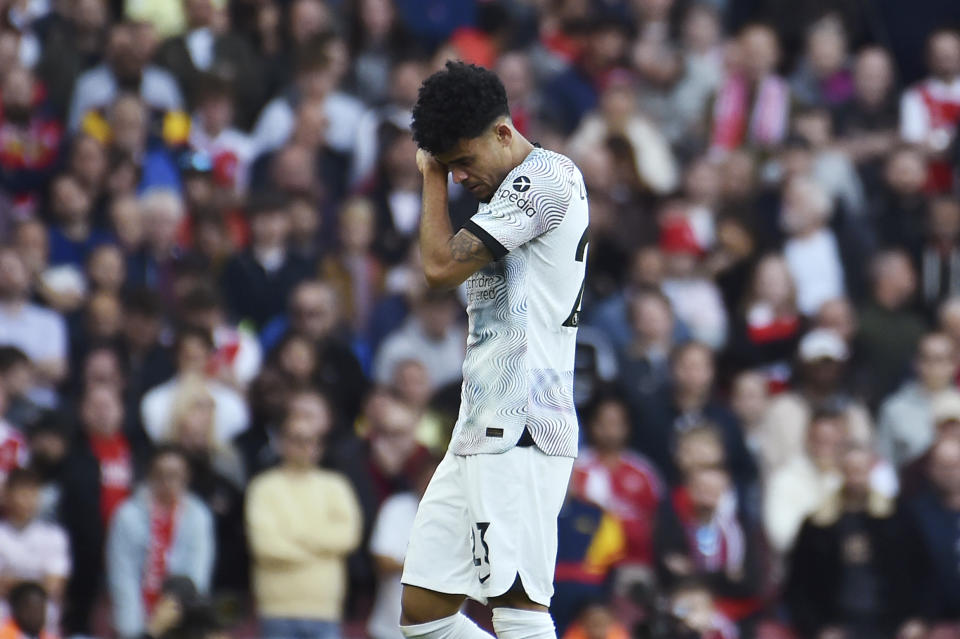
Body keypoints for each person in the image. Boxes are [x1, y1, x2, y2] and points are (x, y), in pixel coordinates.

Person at [400, 61, 589, 639]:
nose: (458, 177)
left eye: (463, 160)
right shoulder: (506, 194)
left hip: (525, 427)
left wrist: (429, 175)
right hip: (479, 428)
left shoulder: (545, 181)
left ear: (503, 133)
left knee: (517, 610)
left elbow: (437, 267)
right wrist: (443, 164)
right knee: (424, 617)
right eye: (448, 165)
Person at [245, 412, 362, 639]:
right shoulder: (263, 487)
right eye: (296, 439)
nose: (305, 446)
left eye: (311, 440)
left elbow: (348, 537)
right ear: (281, 442)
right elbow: (265, 546)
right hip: (276, 610)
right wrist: (322, 550)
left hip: (326, 611)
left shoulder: (336, 486)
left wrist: (293, 534)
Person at [106, 445, 215, 639]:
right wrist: (134, 631)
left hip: (183, 618)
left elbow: (198, 570)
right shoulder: (127, 516)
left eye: (174, 475)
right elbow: (122, 574)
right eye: (161, 474)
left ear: (186, 477)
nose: (167, 482)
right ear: (150, 476)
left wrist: (184, 617)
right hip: (139, 616)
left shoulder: (198, 515)